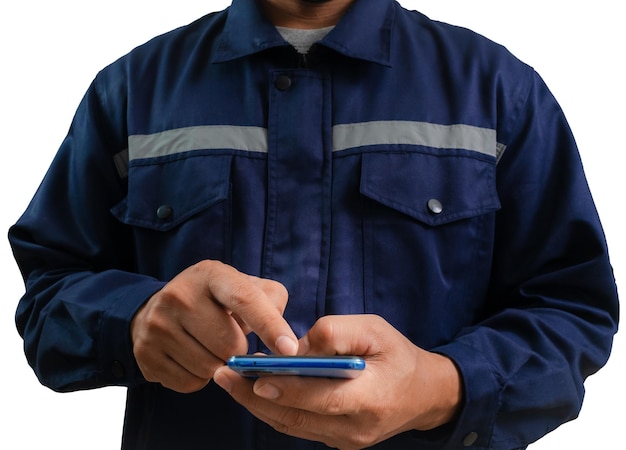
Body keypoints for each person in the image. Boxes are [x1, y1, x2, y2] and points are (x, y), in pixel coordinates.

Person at [9, 0, 619, 449]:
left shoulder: (498, 92)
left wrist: (441, 385)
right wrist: (136, 320)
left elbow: (572, 307)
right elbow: (49, 294)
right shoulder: (131, 93)